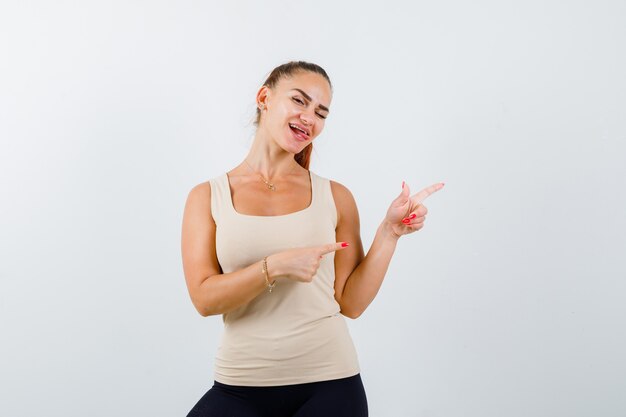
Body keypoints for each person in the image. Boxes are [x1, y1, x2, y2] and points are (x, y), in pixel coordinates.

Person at [181, 60, 444, 417]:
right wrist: (274, 267)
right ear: (264, 98)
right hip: (240, 386)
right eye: (299, 101)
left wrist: (389, 232)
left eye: (321, 112)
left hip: (331, 384)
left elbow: (350, 303)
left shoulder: (335, 196)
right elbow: (204, 300)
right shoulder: (207, 196)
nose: (310, 118)